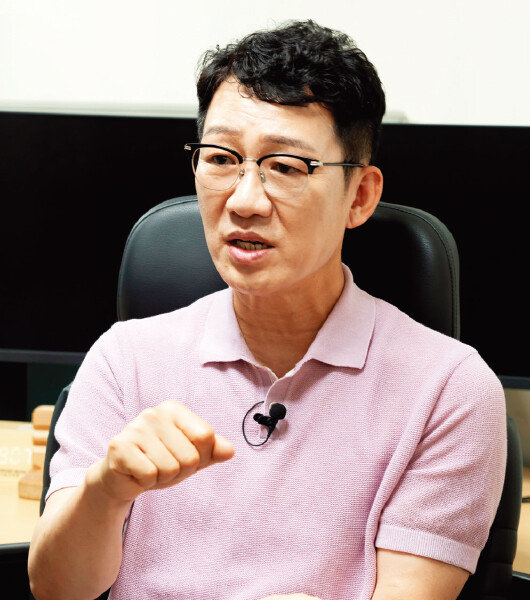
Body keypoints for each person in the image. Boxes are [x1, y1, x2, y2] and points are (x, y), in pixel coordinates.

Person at [28, 19, 506, 600]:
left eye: (285, 166)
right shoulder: (124, 357)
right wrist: (106, 491)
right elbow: (54, 588)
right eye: (220, 158)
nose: (245, 200)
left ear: (359, 196)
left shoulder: (449, 389)